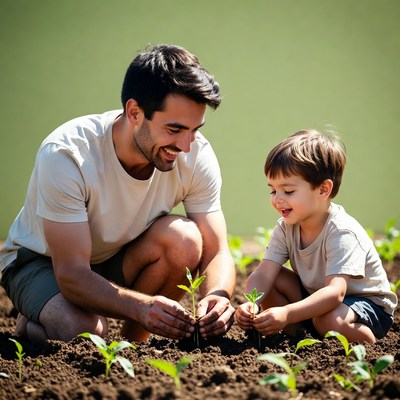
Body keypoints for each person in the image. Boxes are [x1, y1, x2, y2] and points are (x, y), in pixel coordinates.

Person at [0, 44, 236, 343]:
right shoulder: (67, 155)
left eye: (195, 130)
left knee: (185, 240)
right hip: (42, 262)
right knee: (86, 333)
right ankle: (33, 320)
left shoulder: (195, 153)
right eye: (175, 130)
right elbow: (72, 273)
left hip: (115, 256)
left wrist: (218, 296)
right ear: (135, 112)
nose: (187, 145)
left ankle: (134, 345)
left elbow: (217, 250)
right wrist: (141, 306)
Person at [235, 130, 397, 343]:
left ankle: (368, 345)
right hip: (319, 300)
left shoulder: (342, 232)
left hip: (365, 306)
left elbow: (335, 294)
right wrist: (252, 302)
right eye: (273, 191)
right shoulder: (285, 227)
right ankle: (300, 336)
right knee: (275, 280)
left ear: (323, 190)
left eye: (289, 191)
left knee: (328, 321)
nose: (277, 199)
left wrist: (287, 313)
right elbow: (264, 274)